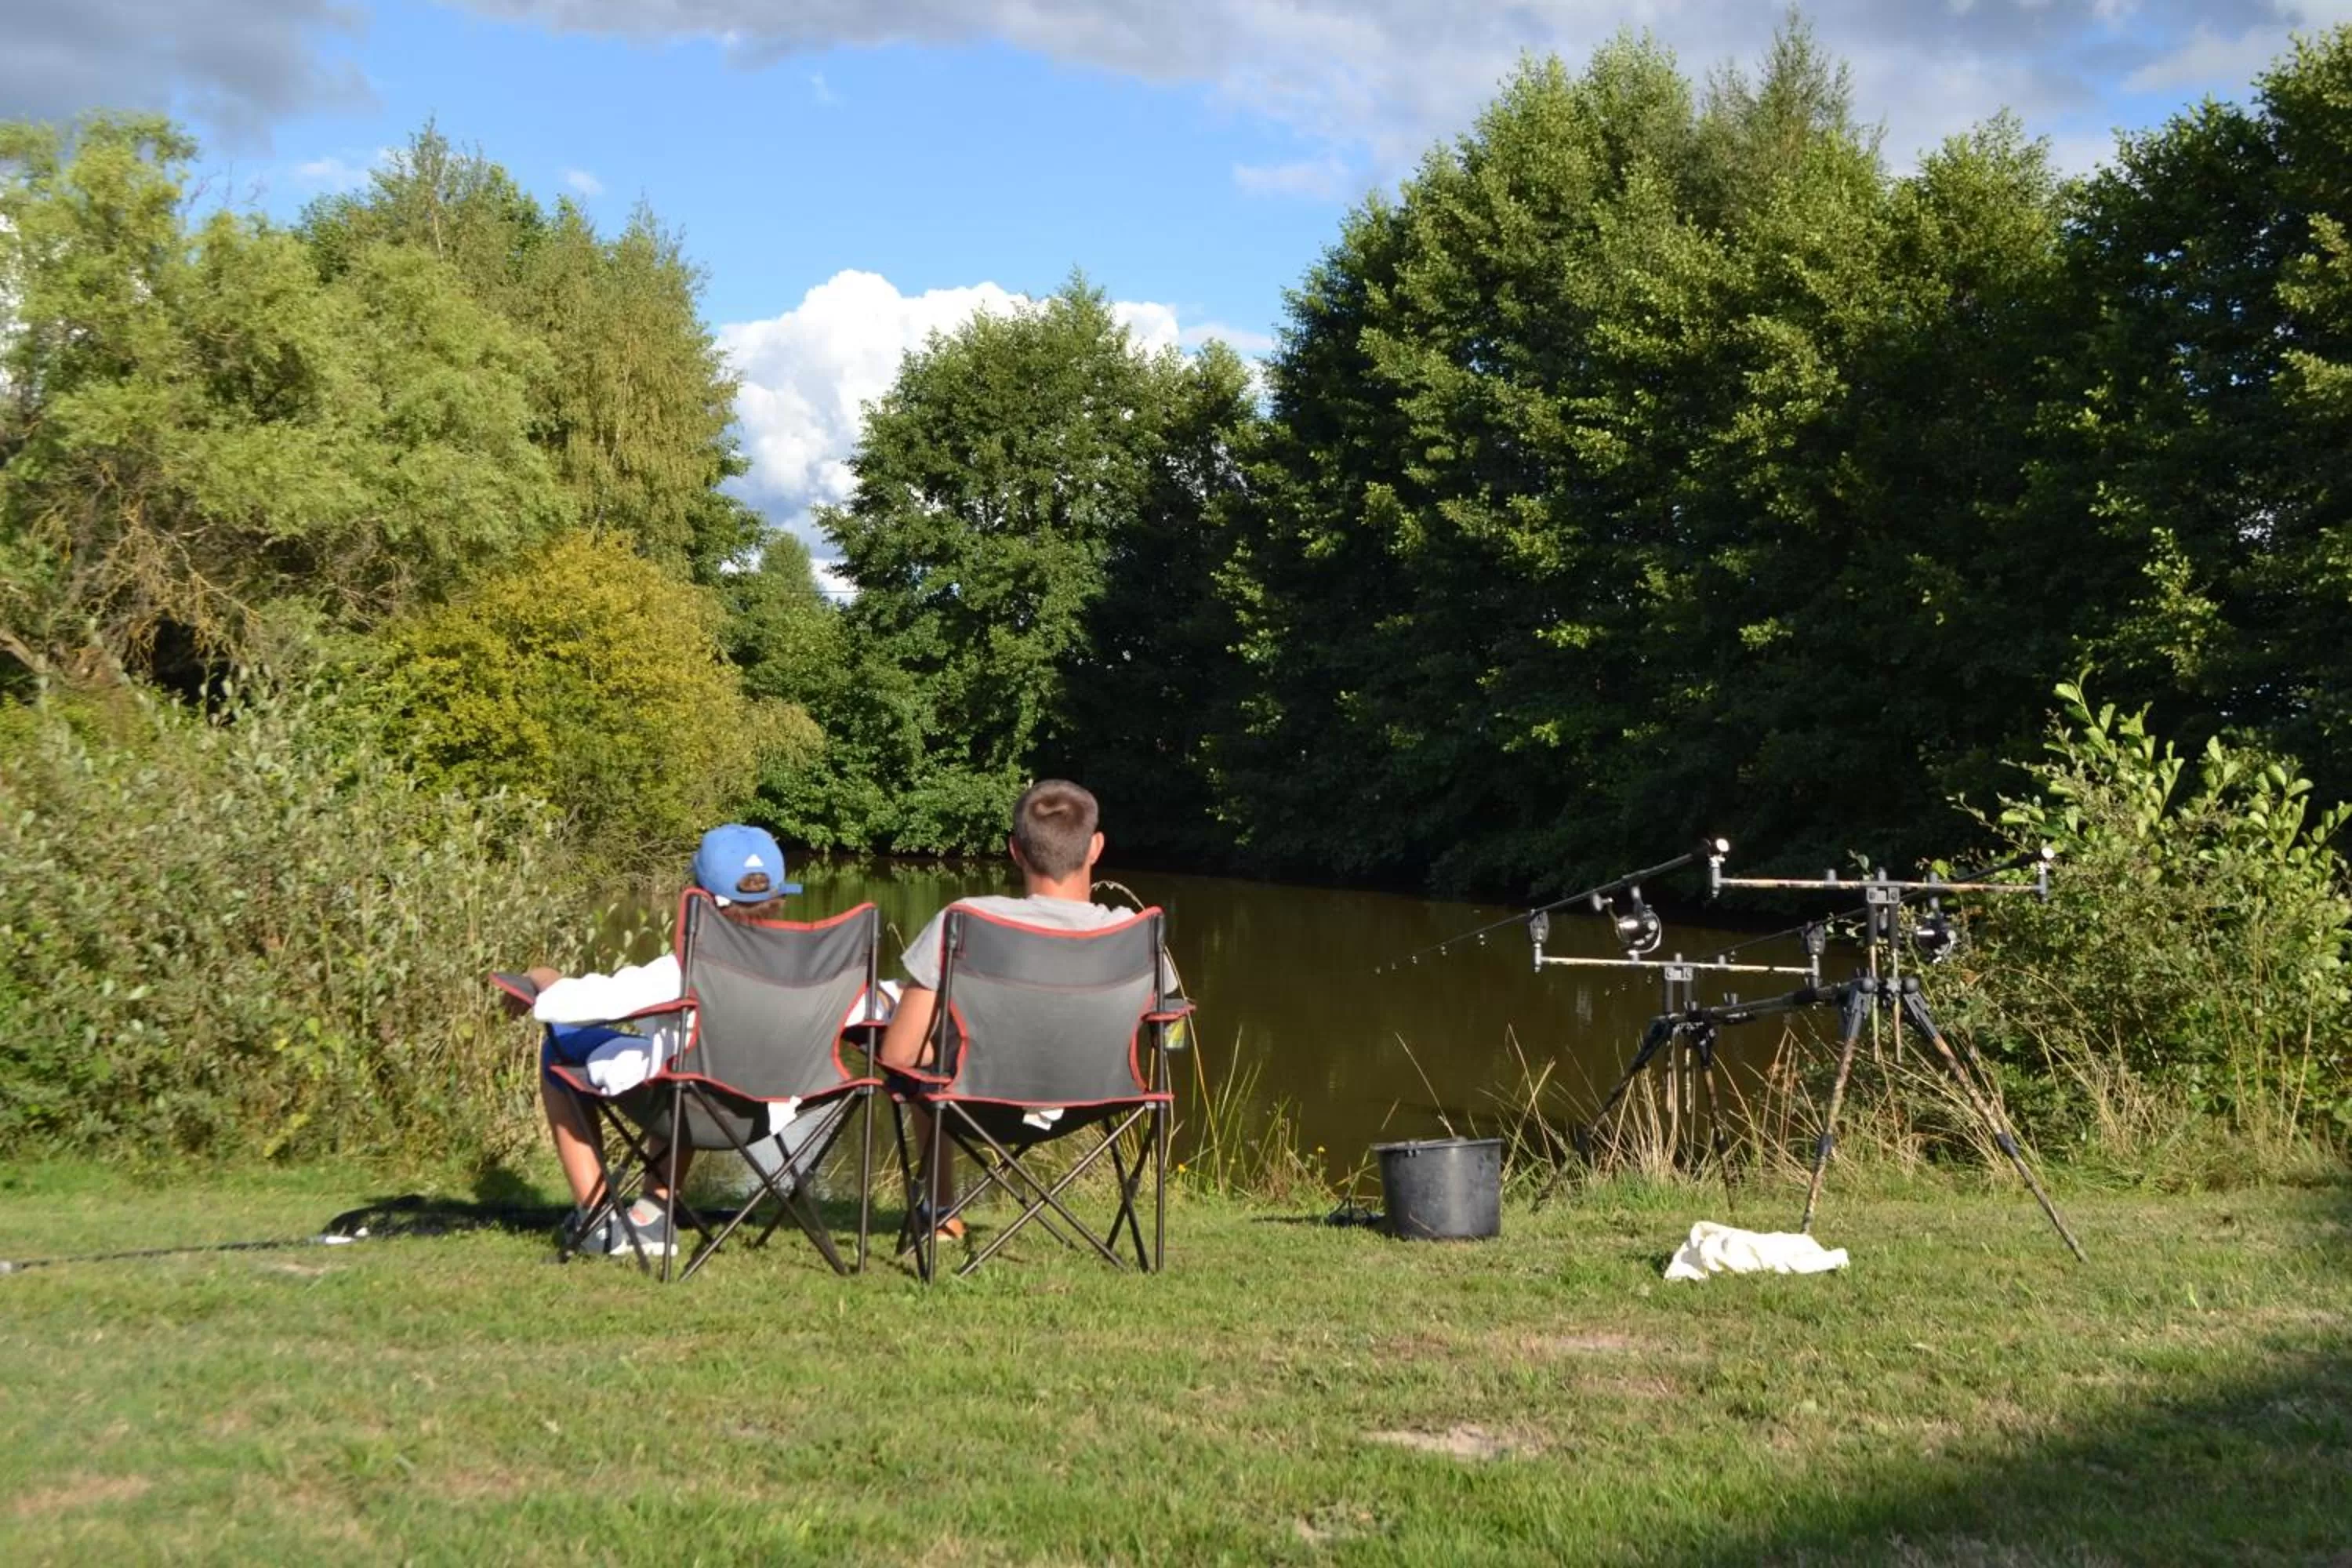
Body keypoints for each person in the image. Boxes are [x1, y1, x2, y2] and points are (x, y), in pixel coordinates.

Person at [506, 823, 804, 1257]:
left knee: (562, 1050)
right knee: (673, 1065)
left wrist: (543, 978)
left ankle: (597, 1218)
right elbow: (876, 1009)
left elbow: (572, 1005)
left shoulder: (677, 973)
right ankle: (653, 1210)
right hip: (766, 1116)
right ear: (778, 898)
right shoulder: (813, 972)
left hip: (692, 1108)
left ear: (698, 897)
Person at [878, 779, 1156, 1238]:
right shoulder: (1132, 933)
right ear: (1096, 848)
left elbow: (897, 1056)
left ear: (1015, 851)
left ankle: (942, 1213)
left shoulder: (965, 921)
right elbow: (1160, 1020)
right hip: (1093, 1101)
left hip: (977, 1103)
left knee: (926, 1064)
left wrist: (939, 1047)